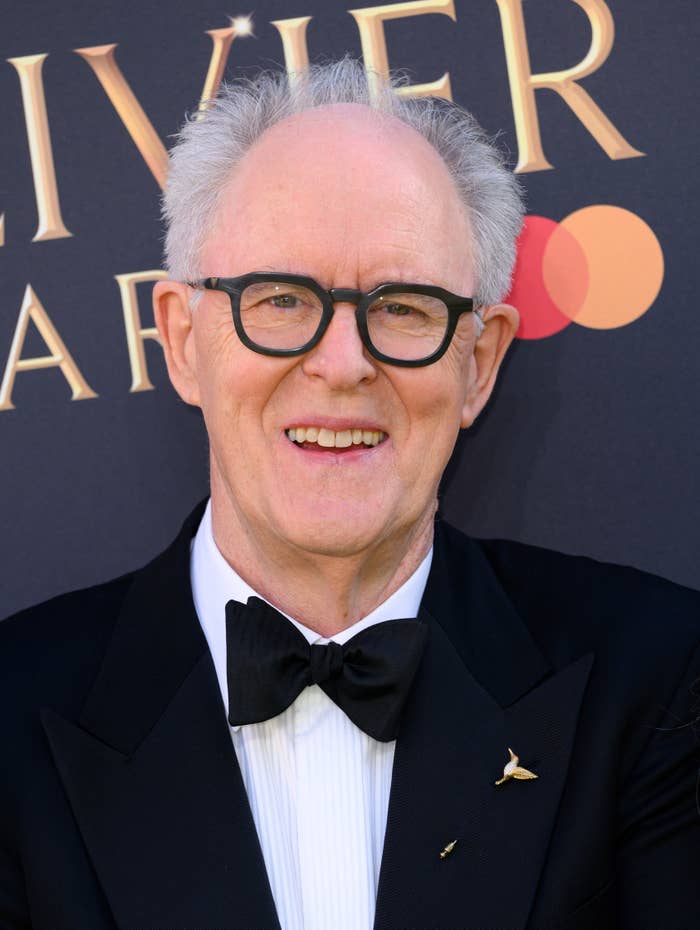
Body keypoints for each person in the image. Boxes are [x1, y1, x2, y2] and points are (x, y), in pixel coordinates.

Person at [1, 59, 699, 930]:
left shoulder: (660, 684)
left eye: (403, 306)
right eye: (282, 298)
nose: (342, 364)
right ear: (182, 339)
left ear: (478, 362)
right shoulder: (10, 725)